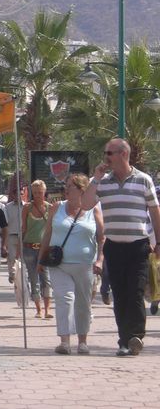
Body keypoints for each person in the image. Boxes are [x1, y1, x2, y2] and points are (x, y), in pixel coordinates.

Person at [81, 137, 160, 356]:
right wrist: (95, 178)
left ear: (123, 154)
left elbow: (154, 211)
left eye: (109, 153)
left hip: (138, 246)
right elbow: (86, 204)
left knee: (135, 291)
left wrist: (159, 242)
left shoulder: (143, 180)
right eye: (106, 153)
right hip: (114, 247)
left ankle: (135, 336)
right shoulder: (103, 182)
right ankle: (124, 340)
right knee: (120, 294)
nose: (105, 157)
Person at [38, 174, 104, 355]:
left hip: (85, 265)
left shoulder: (94, 210)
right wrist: (41, 258)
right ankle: (65, 341)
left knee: (83, 302)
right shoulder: (56, 208)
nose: (66, 189)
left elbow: (101, 237)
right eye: (65, 186)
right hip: (59, 263)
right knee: (64, 299)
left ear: (82, 190)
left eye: (70, 186)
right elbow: (47, 234)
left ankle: (82, 341)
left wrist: (100, 259)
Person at [20, 180, 53, 318]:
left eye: (40, 192)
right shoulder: (27, 207)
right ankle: (38, 309)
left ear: (45, 192)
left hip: (44, 249)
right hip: (29, 247)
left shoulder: (50, 208)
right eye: (35, 193)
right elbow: (23, 229)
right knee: (33, 277)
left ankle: (48, 309)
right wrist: (18, 250)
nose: (38, 195)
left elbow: (52, 229)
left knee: (46, 278)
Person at [4, 179, 27, 284]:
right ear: (13, 195)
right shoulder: (7, 207)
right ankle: (12, 273)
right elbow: (5, 223)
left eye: (21, 194)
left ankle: (22, 276)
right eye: (17, 194)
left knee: (23, 257)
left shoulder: (27, 206)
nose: (19, 196)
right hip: (11, 235)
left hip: (23, 236)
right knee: (12, 256)